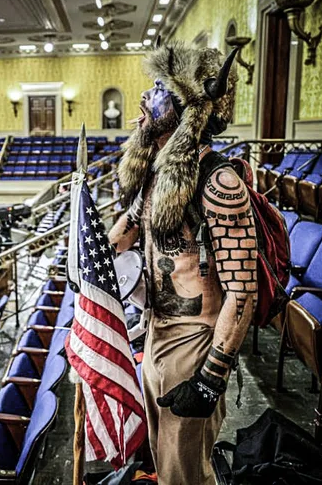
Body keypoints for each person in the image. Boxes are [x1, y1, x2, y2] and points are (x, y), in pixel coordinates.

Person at [108, 41, 256, 485]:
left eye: (159, 88)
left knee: (185, 472)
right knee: (162, 458)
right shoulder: (160, 174)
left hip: (194, 343)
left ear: (188, 103)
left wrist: (212, 377)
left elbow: (243, 291)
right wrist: (89, 257)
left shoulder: (220, 182)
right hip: (155, 330)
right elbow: (129, 228)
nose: (145, 99)